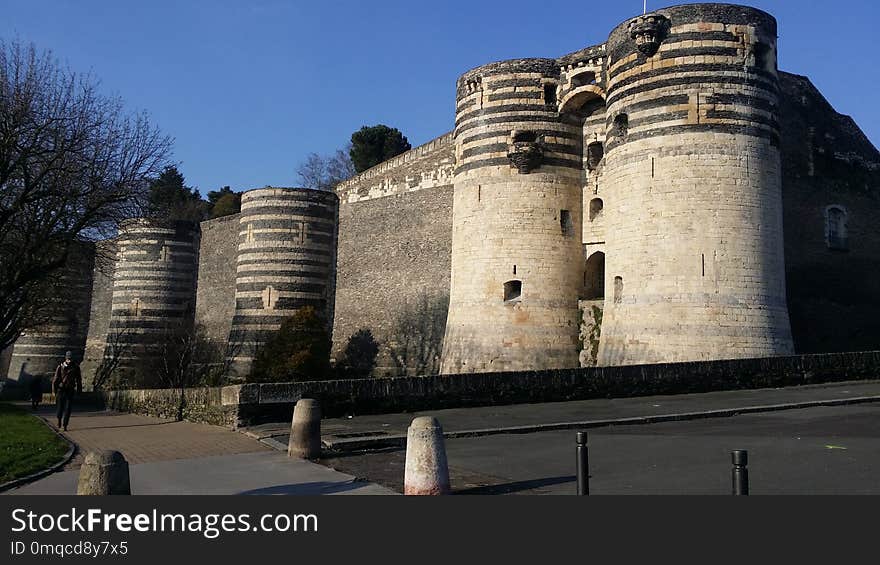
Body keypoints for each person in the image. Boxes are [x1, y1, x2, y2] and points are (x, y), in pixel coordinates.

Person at [52, 351, 82, 431]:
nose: (69, 360)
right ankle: (59, 420)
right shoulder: (60, 366)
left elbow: (79, 379)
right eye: (68, 358)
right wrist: (54, 391)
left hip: (70, 389)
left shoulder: (76, 367)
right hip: (61, 390)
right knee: (60, 408)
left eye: (70, 358)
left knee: (68, 408)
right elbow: (55, 379)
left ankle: (65, 425)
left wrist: (79, 390)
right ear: (66, 358)